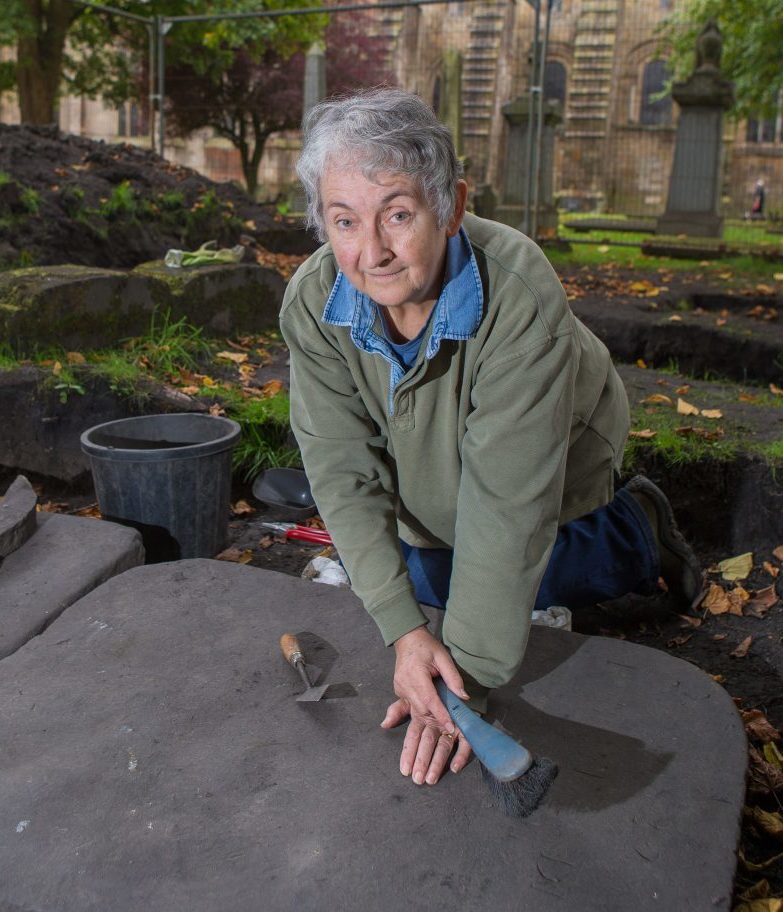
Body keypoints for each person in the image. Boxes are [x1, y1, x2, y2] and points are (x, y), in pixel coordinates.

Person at [279, 87, 701, 789]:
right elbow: (342, 470)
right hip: (432, 459)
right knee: (413, 582)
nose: (371, 251)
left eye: (399, 215)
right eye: (344, 220)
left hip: (558, 451)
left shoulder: (518, 294)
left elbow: (505, 508)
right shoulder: (314, 299)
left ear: (451, 208)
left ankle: (633, 530)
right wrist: (409, 635)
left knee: (459, 573)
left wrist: (459, 683)